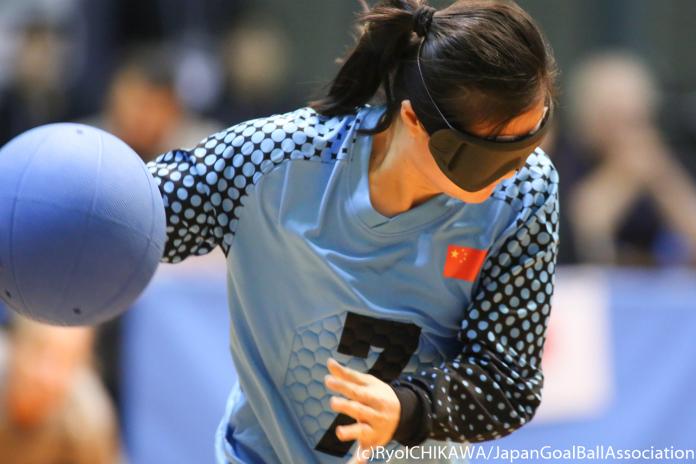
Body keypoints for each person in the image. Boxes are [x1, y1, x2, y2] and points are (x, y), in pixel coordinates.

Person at [146, 0, 558, 462]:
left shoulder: (525, 194)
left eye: (528, 143)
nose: (512, 171)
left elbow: (508, 383)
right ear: (413, 121)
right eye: (489, 156)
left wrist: (407, 408)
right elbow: (139, 216)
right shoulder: (271, 161)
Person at [556, 52, 696, 266]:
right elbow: (581, 233)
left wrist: (663, 176)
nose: (624, 130)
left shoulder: (663, 159)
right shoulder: (562, 158)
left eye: (634, 117)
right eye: (612, 115)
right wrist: (622, 176)